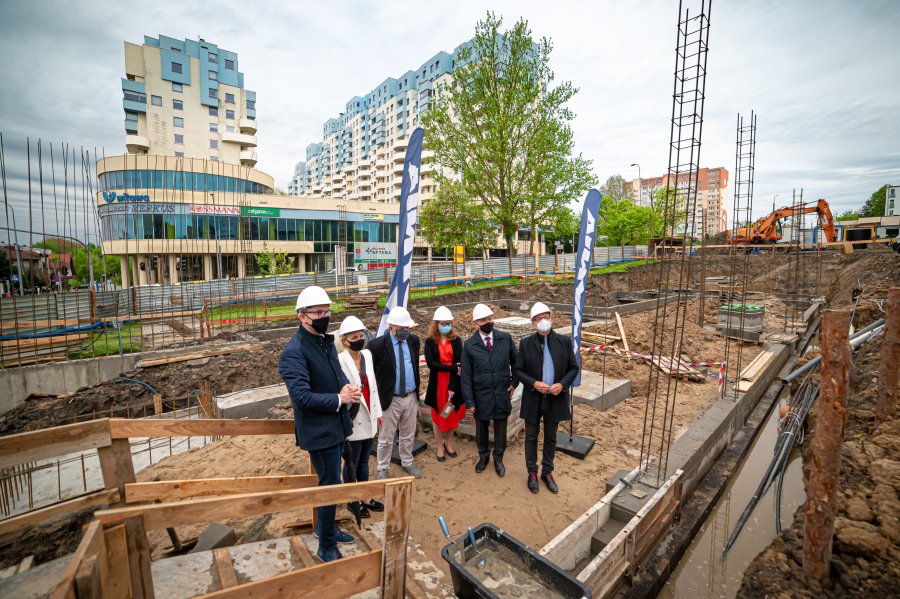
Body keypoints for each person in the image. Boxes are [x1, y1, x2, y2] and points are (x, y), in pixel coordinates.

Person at [278, 286, 361, 563]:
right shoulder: (295, 351)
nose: (324, 316)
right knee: (329, 483)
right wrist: (339, 398)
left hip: (336, 427)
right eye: (318, 312)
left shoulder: (325, 342)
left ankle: (328, 528)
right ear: (302, 316)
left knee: (333, 481)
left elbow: (334, 376)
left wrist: (346, 388)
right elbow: (301, 397)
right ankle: (325, 545)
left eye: (327, 311)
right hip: (320, 432)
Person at [514, 302, 579, 494]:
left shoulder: (564, 342)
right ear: (533, 323)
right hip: (534, 398)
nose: (543, 321)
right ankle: (532, 473)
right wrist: (533, 383)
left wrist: (563, 384)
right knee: (531, 437)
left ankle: (547, 473)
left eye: (546, 317)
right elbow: (518, 370)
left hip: (555, 398)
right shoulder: (526, 344)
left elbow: (573, 368)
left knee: (551, 438)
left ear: (552, 319)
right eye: (538, 319)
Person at [461, 303, 518, 477]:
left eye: (490, 318)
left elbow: (517, 363)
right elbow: (466, 376)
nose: (488, 322)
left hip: (501, 393)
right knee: (482, 427)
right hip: (481, 395)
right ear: (476, 323)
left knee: (501, 426)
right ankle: (483, 456)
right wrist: (469, 400)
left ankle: (498, 458)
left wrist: (514, 382)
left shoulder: (505, 339)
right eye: (484, 320)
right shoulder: (470, 345)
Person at [336, 316, 384, 518]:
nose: (359, 339)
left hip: (369, 414)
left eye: (361, 335)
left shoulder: (367, 355)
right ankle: (351, 499)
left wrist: (378, 412)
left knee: (365, 459)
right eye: (354, 337)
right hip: (353, 417)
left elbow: (372, 386)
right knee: (351, 461)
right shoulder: (340, 360)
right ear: (344, 340)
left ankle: (364, 496)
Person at [367, 306, 422, 479]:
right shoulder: (376, 345)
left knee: (408, 434)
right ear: (391, 327)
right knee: (386, 437)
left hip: (410, 396)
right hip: (390, 399)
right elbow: (371, 374)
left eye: (407, 328)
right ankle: (382, 468)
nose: (405, 331)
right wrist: (375, 402)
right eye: (402, 329)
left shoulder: (414, 341)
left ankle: (407, 462)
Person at [423, 306, 464, 461]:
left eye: (448, 323)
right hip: (438, 385)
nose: (446, 326)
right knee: (439, 416)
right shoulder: (429, 342)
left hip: (453, 384)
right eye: (443, 323)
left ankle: (449, 443)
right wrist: (452, 368)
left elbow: (459, 365)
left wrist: (452, 386)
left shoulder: (457, 341)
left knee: (451, 413)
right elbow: (431, 364)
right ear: (436, 324)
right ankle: (439, 446)